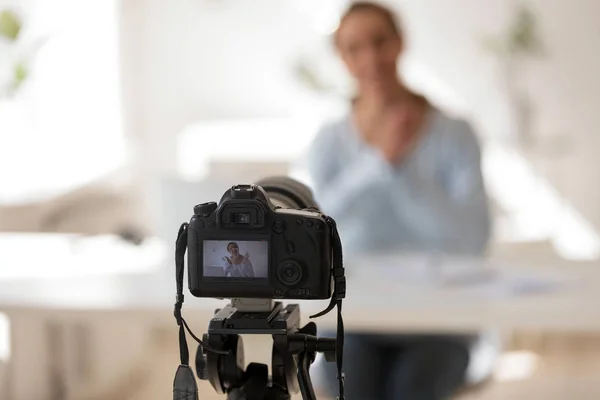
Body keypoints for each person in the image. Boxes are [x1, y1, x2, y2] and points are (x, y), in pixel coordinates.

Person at [306, 2, 491, 399]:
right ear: (342, 58)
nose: (371, 58)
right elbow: (317, 228)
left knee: (412, 390)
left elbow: (473, 237)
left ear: (400, 43)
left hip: (440, 324)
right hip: (355, 320)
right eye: (354, 48)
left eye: (380, 42)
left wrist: (403, 171)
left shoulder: (455, 133)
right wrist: (379, 162)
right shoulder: (328, 142)